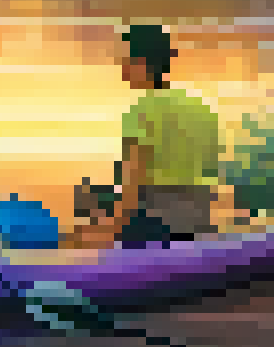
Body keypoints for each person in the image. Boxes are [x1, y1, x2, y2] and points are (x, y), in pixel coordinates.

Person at [87, 25, 223, 248]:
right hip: (198, 222)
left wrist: (109, 232)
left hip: (156, 227)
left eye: (126, 59)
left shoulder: (141, 112)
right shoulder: (201, 108)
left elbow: (132, 186)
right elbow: (211, 171)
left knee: (90, 204)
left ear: (142, 63)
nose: (121, 66)